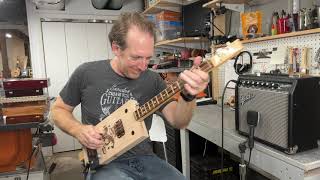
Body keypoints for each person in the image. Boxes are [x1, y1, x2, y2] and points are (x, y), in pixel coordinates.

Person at [51, 12, 209, 180]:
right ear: (116, 48)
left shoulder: (153, 80)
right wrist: (78, 130)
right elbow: (58, 110)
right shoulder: (87, 73)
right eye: (136, 57)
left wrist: (188, 96)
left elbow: (179, 121)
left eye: (148, 58)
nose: (143, 66)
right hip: (103, 164)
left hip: (145, 160)